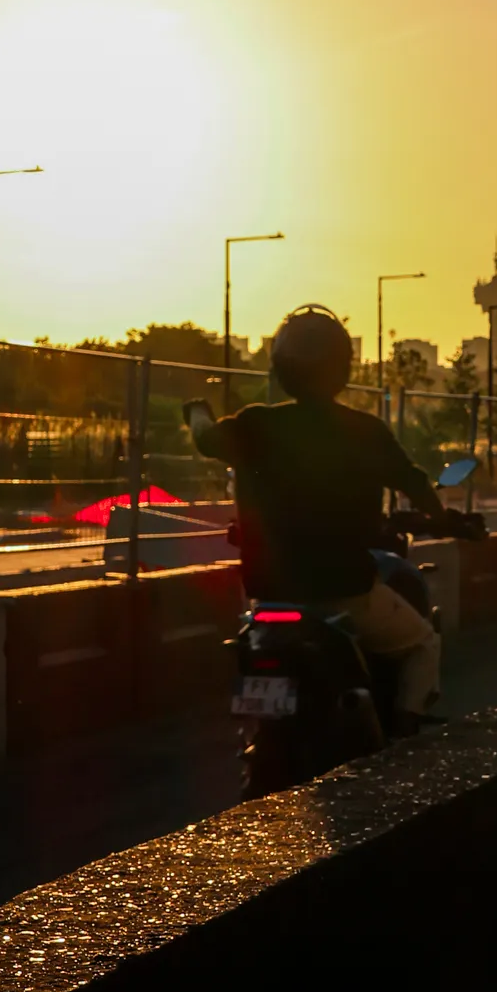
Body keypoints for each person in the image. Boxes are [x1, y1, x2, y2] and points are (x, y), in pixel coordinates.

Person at [185, 303, 445, 732]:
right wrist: (443, 516)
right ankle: (402, 747)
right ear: (342, 367)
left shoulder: (256, 425)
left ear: (281, 366)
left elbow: (204, 438)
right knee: (423, 644)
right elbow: (414, 483)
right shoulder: (364, 431)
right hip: (344, 592)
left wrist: (196, 411)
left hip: (268, 598)